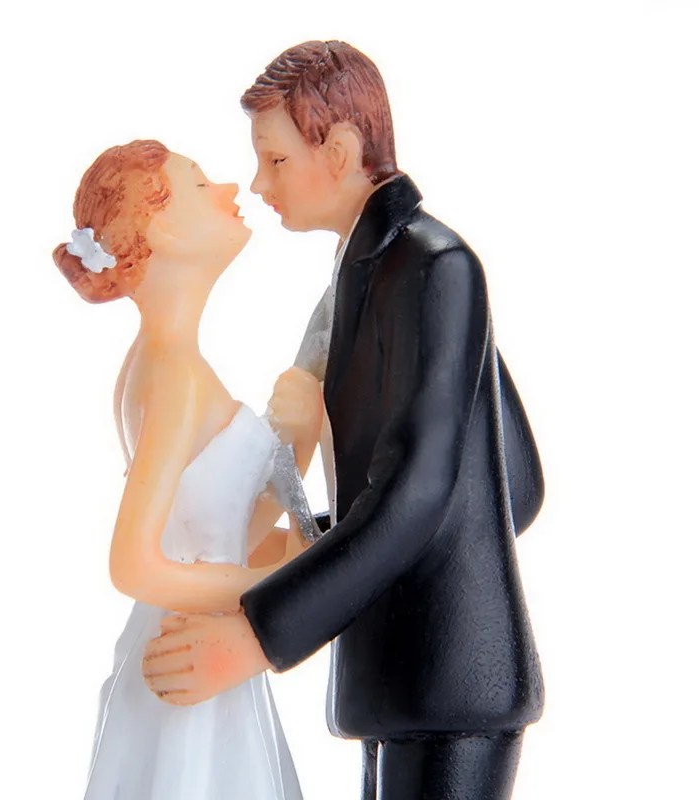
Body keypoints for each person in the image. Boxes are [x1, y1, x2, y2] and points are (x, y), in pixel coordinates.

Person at [143, 42, 546, 800]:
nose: (258, 183)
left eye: (275, 159)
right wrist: (323, 546)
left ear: (339, 150)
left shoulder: (435, 266)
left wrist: (261, 634)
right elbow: (511, 487)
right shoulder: (366, 276)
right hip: (396, 671)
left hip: (452, 676)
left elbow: (422, 492)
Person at [53, 139, 322, 800]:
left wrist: (300, 438)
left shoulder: (165, 361)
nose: (231, 190)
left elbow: (211, 525)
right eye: (202, 186)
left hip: (193, 648)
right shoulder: (173, 373)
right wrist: (274, 587)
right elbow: (135, 566)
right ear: (164, 232)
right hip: (190, 654)